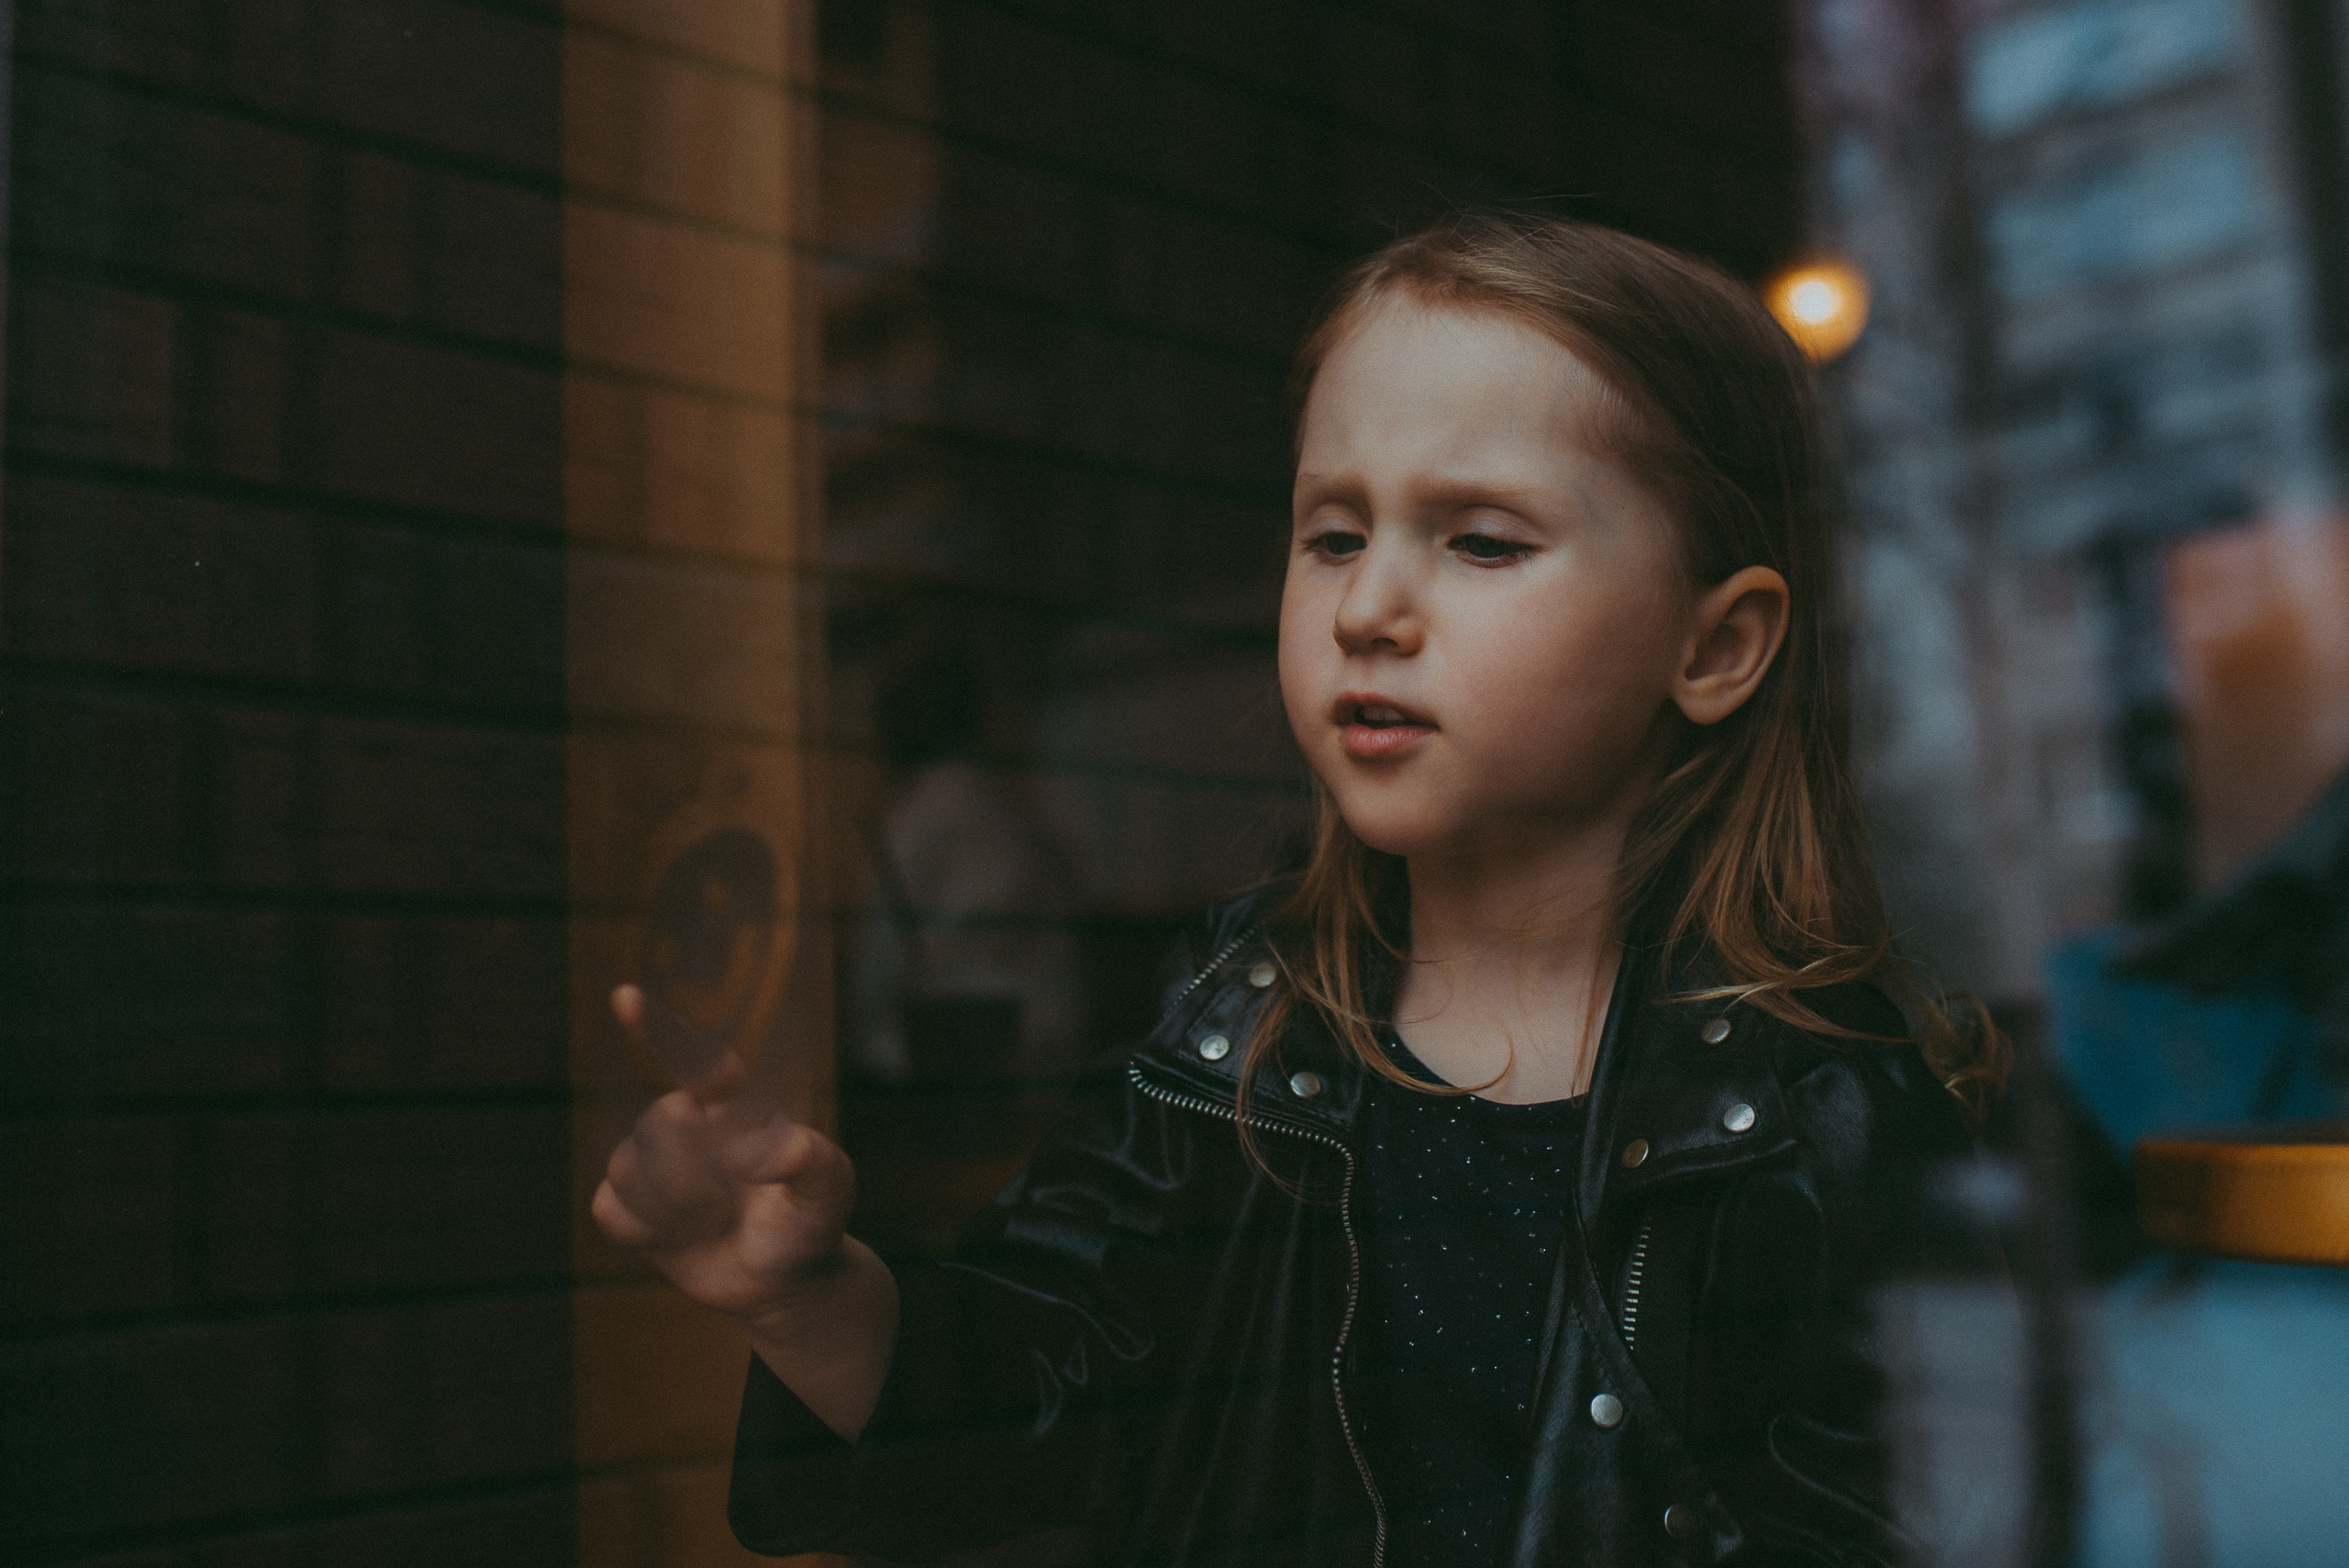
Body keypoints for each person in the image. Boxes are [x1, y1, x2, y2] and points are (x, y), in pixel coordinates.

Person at [590, 213, 2007, 1568]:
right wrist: (809, 1291)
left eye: (1482, 541)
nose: (1367, 608)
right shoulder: (1238, 1034)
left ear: (1716, 645)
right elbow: (1041, 1391)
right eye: (1334, 533)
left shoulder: (1821, 1111)